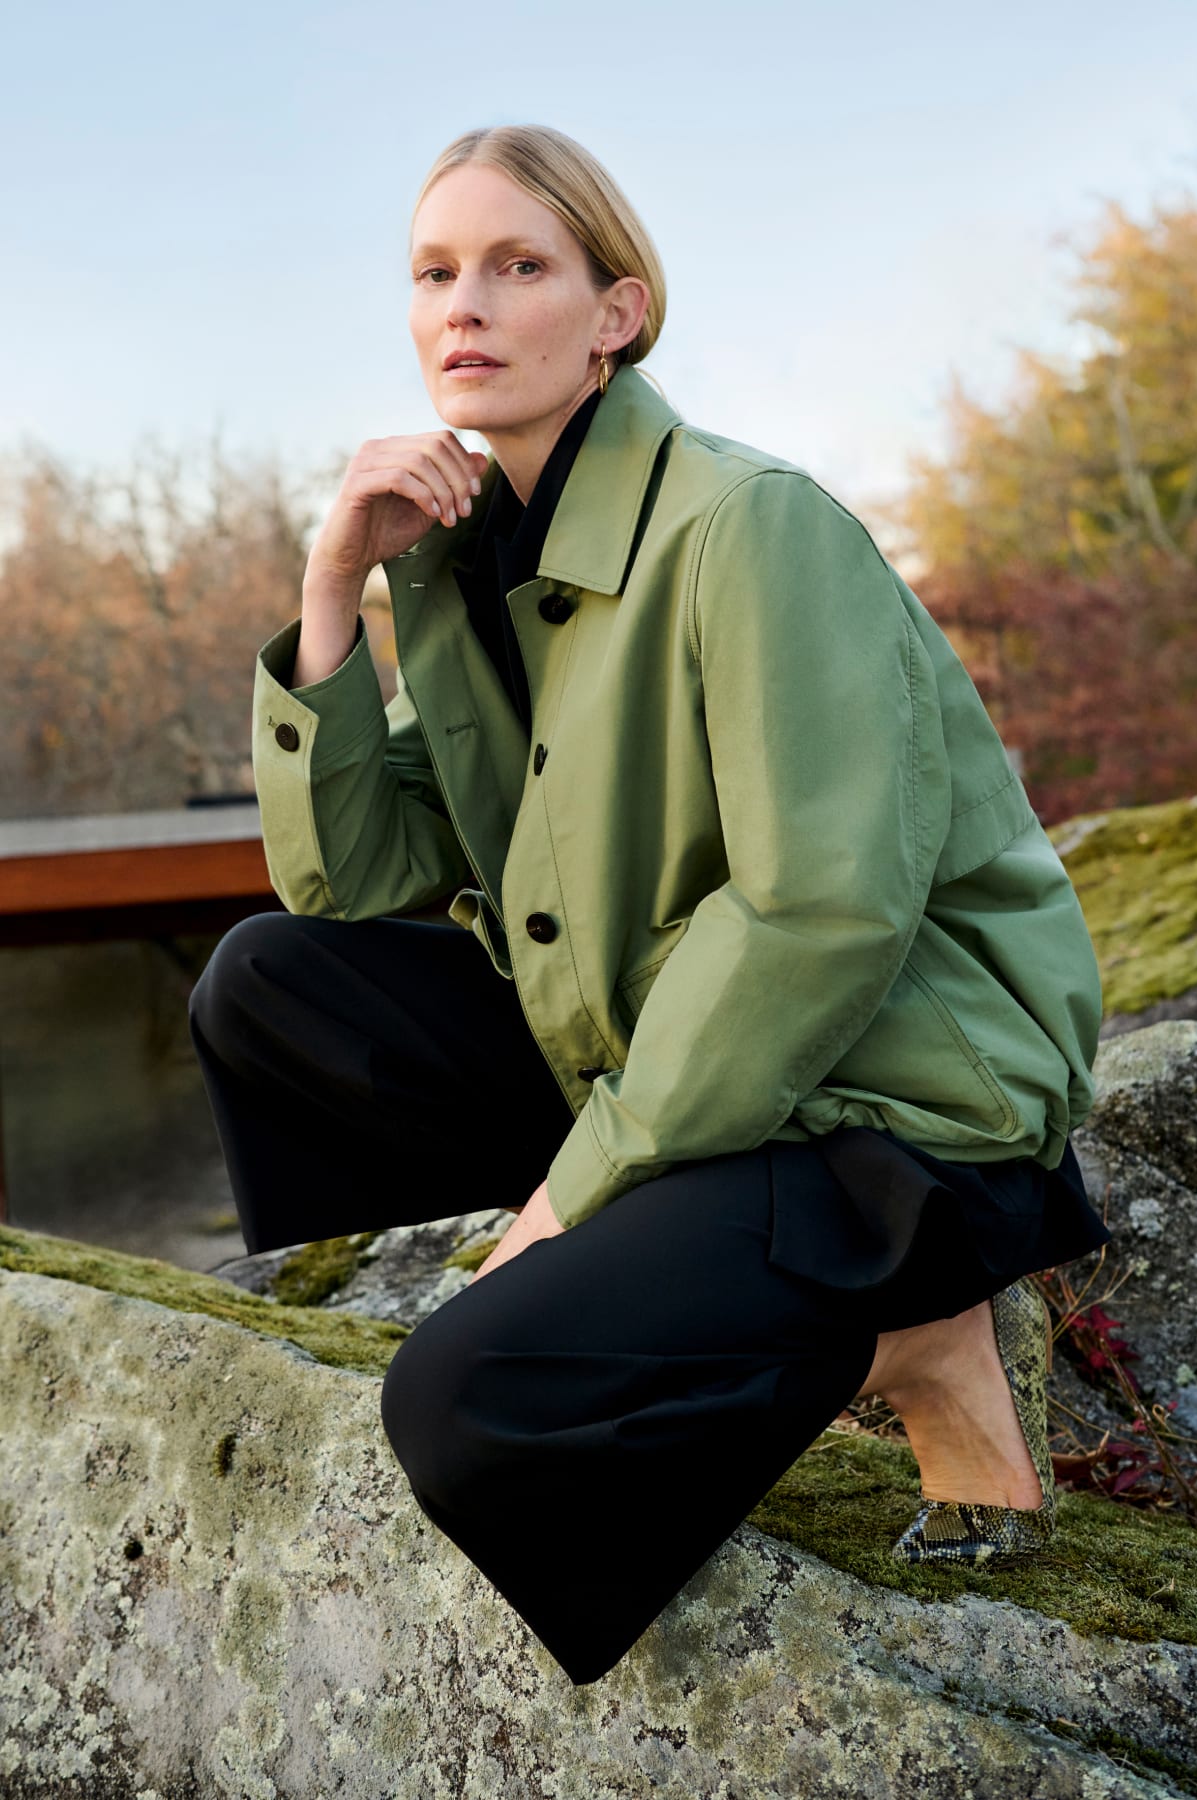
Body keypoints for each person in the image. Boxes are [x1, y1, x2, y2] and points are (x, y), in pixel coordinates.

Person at [189, 122, 1112, 1687]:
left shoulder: (750, 526)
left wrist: (579, 1194)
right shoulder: (482, 564)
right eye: (433, 273)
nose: (462, 306)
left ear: (616, 314)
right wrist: (332, 587)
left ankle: (902, 1324)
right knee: (266, 983)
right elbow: (347, 875)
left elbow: (821, 912)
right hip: (685, 1043)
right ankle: (768, 1291)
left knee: (462, 1402)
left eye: (516, 266)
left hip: (894, 1100)